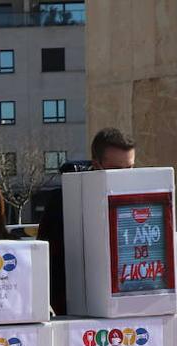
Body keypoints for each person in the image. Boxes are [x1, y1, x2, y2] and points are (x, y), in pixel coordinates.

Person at [38, 127, 137, 315]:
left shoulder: (140, 197)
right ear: (97, 164)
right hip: (76, 306)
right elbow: (49, 259)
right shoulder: (65, 200)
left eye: (130, 168)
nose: (125, 176)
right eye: (116, 169)